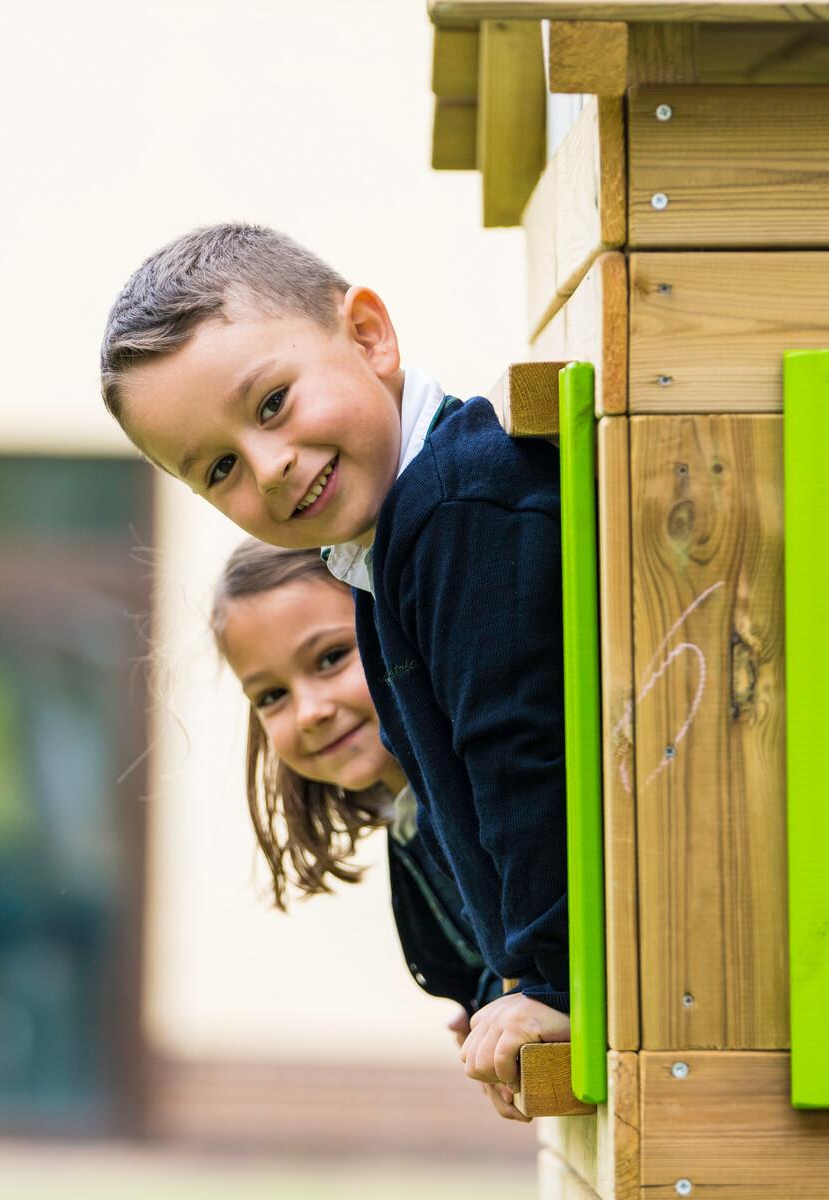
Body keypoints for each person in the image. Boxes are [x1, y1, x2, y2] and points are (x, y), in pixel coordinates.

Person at [99, 223, 571, 1095]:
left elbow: (521, 753)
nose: (269, 467)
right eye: (217, 469)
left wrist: (550, 980)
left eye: (271, 403)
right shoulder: (388, 549)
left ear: (368, 335)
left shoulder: (454, 511)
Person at [210, 537, 526, 1123]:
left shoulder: (498, 786)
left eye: (330, 658)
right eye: (272, 695)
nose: (308, 710)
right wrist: (489, 1011)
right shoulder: (410, 820)